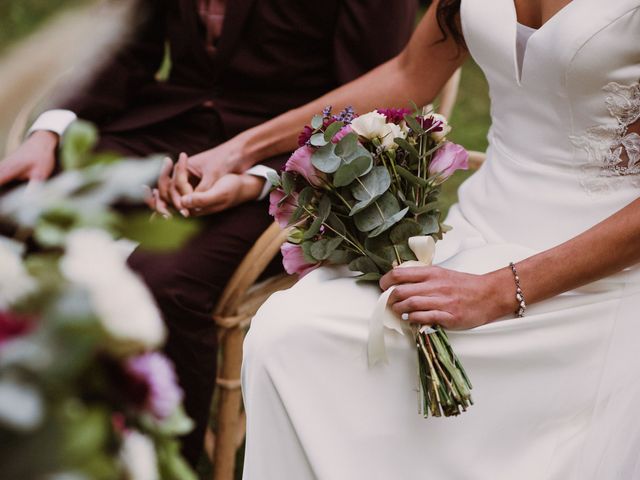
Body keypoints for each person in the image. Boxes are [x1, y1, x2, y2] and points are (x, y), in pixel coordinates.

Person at [161, 0, 640, 477]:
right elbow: (412, 73)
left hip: (597, 272)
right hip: (475, 234)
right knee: (285, 334)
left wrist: (497, 290)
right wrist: (241, 149)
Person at [0, 0, 418, 463]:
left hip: (298, 159)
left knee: (164, 285)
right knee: (15, 211)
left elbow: (375, 99)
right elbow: (126, 44)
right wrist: (50, 133)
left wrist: (258, 178)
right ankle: (33, 428)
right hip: (167, 125)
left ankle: (162, 462)